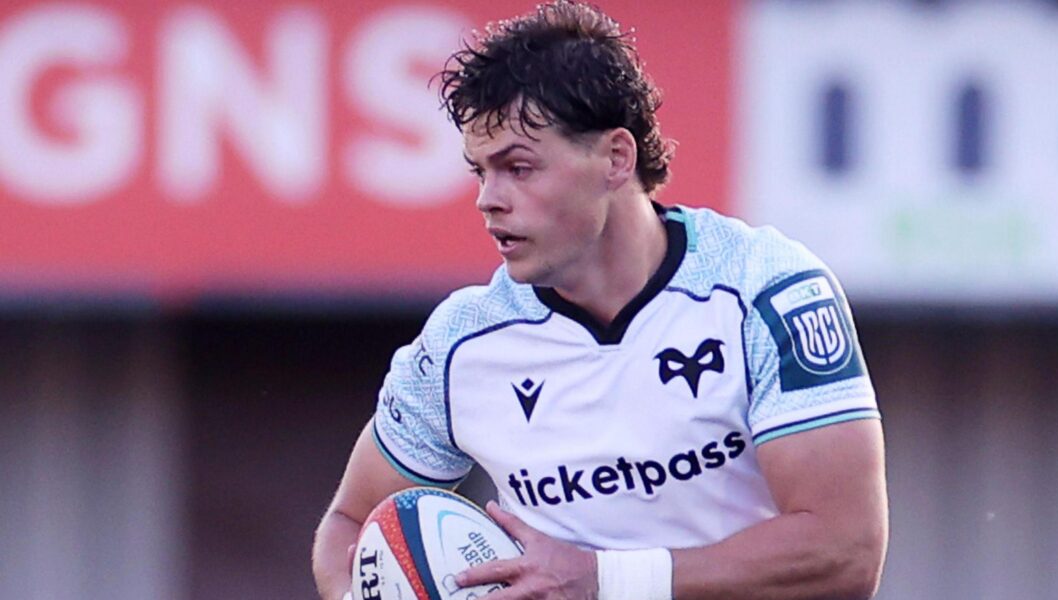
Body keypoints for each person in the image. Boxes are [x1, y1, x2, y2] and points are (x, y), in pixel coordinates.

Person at [312, 1, 889, 598]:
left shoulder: (765, 293)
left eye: (518, 167)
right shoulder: (462, 342)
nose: (488, 198)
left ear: (616, 157)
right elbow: (350, 524)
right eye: (481, 171)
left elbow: (845, 551)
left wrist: (603, 580)